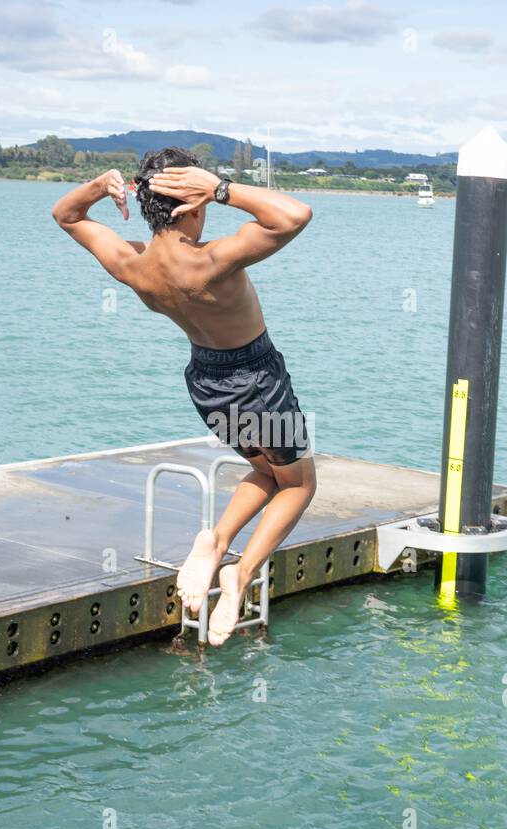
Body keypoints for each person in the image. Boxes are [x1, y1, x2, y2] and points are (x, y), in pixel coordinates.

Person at [52, 147, 315, 645]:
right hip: (258, 379)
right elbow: (295, 215)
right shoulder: (212, 260)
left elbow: (66, 215)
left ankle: (214, 541)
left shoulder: (133, 265)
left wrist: (97, 187)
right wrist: (221, 187)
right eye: (204, 201)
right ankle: (239, 574)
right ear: (190, 204)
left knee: (265, 472)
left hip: (205, 383)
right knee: (299, 484)